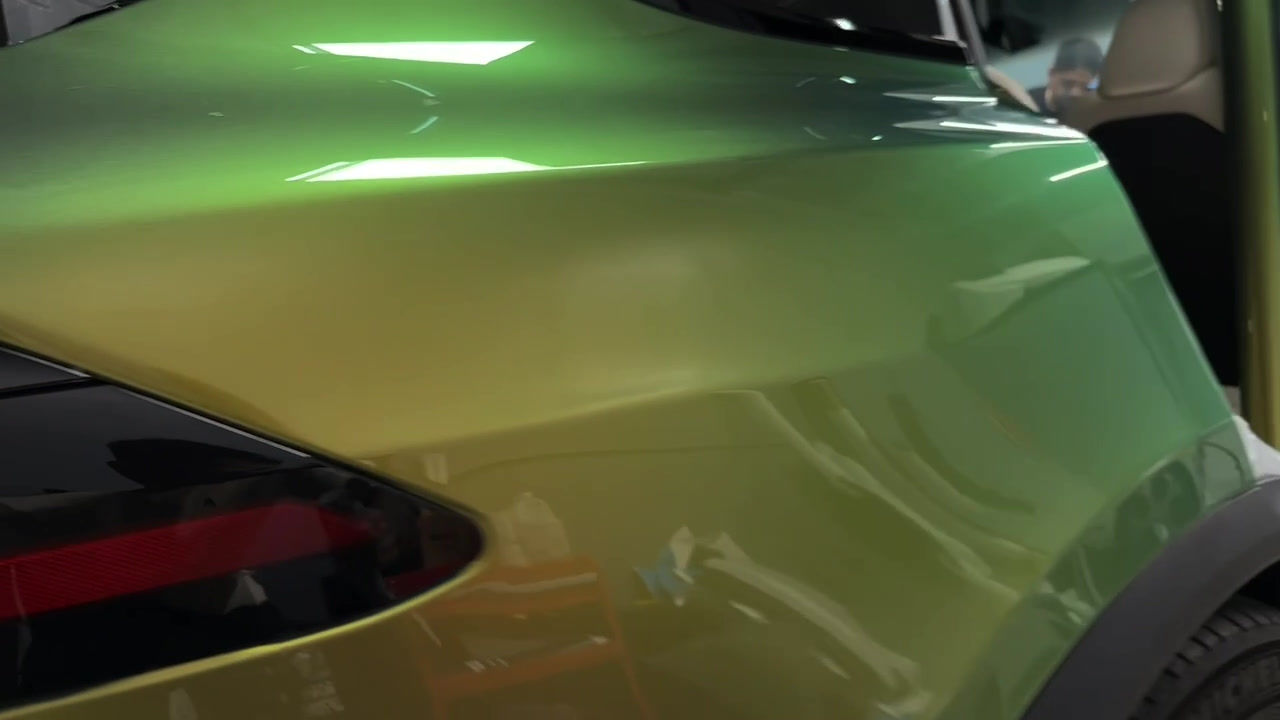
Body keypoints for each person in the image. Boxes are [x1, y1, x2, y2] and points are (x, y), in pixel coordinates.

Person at [1029, 37, 1104, 119]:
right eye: (1068, 84)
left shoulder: (1093, 112)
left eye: (1086, 88)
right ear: (1052, 74)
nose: (1075, 93)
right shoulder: (1026, 104)